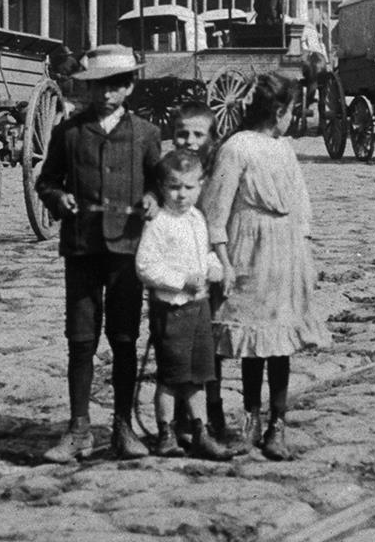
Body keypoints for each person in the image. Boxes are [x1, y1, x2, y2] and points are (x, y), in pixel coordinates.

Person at [35, 43, 164, 462]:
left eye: (114, 86)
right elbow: (46, 181)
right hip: (82, 247)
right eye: (97, 87)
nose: (105, 94)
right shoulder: (68, 132)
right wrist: (58, 200)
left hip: (127, 248)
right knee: (81, 338)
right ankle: (78, 429)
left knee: (124, 337)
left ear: (128, 87)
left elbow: (158, 183)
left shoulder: (145, 134)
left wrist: (151, 198)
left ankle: (123, 427)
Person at [199, 74, 329, 460]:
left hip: (283, 250)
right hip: (248, 250)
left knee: (279, 341)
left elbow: (301, 203)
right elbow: (215, 210)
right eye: (291, 111)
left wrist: (303, 254)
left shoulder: (284, 149)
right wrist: (223, 260)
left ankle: (278, 423)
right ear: (278, 111)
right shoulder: (236, 147)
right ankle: (249, 417)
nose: (293, 118)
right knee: (253, 338)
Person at [135, 149, 232, 460]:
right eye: (174, 187)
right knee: (171, 377)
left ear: (200, 186)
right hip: (172, 309)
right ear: (162, 187)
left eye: (189, 188)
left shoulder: (197, 219)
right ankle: (165, 432)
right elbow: (146, 266)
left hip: (199, 308)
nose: (181, 195)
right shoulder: (159, 223)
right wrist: (180, 280)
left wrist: (214, 268)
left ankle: (199, 430)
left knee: (198, 376)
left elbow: (202, 255)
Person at [168, 103, 244, 455]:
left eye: (199, 134)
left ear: (212, 138)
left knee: (210, 345)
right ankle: (179, 418)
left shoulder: (217, 168)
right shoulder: (169, 170)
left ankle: (211, 412)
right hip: (177, 270)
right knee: (178, 345)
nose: (190, 141)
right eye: (183, 133)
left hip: (211, 263)